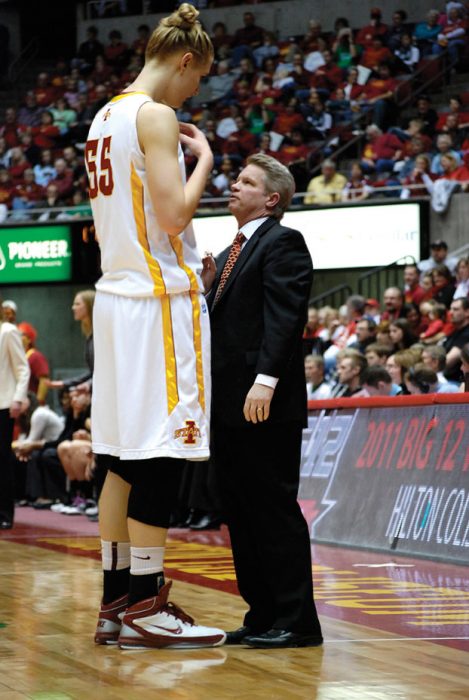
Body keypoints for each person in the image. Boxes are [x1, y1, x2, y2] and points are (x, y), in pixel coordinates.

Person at [85, 4, 225, 650]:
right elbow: (173, 217)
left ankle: (115, 600)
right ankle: (147, 601)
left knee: (118, 459)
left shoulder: (104, 114)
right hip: (156, 301)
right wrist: (206, 161)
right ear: (185, 60)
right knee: (162, 456)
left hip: (114, 299)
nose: (195, 91)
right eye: (199, 79)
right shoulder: (156, 115)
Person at [207, 153, 323, 649]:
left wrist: (267, 379)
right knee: (240, 509)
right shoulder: (235, 249)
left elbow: (285, 316)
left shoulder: (283, 241)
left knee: (272, 508)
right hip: (229, 400)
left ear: (271, 198)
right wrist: (211, 291)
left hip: (262, 399)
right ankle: (261, 614)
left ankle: (297, 621)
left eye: (246, 182)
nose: (233, 186)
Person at [0, 314, 30, 529]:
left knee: (2, 459)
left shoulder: (8, 331)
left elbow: (22, 368)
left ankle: (5, 513)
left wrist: (18, 398)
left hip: (3, 403)